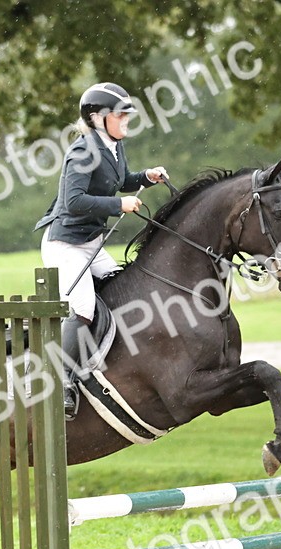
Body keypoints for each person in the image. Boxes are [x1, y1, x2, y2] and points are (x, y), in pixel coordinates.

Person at [34, 82, 168, 419]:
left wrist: (146, 177)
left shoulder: (113, 146)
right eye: (120, 114)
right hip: (65, 244)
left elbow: (120, 180)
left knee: (124, 290)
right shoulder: (82, 152)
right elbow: (74, 202)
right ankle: (61, 381)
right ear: (97, 118)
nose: (126, 120)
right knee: (83, 307)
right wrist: (118, 205)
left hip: (91, 241)